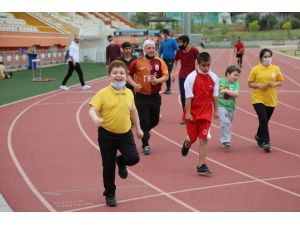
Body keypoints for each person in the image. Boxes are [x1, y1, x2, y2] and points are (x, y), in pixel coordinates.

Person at [88, 60, 143, 207]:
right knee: (108, 166)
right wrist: (95, 119)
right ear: (109, 76)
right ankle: (110, 193)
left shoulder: (129, 92)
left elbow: (133, 111)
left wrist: (138, 128)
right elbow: (92, 109)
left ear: (126, 75)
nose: (118, 75)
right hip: (107, 135)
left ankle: (122, 161)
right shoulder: (103, 93)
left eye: (121, 73)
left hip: (125, 134)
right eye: (115, 73)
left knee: (133, 158)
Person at [127, 39, 169, 155]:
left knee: (154, 120)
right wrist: (134, 84)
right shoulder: (136, 62)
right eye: (149, 48)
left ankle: (144, 131)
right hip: (141, 97)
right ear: (144, 49)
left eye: (153, 48)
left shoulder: (160, 62)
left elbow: (166, 76)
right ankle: (145, 144)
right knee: (144, 121)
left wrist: (158, 80)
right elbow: (128, 76)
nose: (151, 50)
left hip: (155, 96)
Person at [181, 52, 219, 175]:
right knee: (192, 138)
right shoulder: (191, 78)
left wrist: (216, 110)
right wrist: (187, 113)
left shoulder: (214, 77)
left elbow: (215, 96)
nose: (206, 68)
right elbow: (188, 98)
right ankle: (187, 144)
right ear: (197, 64)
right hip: (192, 113)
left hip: (206, 114)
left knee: (204, 139)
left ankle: (201, 165)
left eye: (208, 65)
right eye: (203, 65)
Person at [248, 48, 284, 152]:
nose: (267, 58)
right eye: (265, 57)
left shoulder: (275, 69)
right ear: (261, 58)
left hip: (271, 98)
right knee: (263, 119)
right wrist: (259, 85)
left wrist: (274, 84)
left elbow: (280, 81)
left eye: (269, 56)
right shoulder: (255, 69)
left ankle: (258, 135)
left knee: (265, 121)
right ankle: (266, 142)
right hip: (258, 98)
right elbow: (250, 84)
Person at [171, 35, 200, 124]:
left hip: (193, 76)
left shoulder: (194, 50)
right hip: (182, 76)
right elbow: (175, 62)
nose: (178, 44)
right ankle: (185, 116)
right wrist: (173, 73)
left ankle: (195, 114)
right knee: (184, 97)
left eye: (180, 42)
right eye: (178, 42)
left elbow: (200, 60)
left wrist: (199, 69)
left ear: (186, 43)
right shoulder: (179, 51)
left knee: (193, 96)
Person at [218, 65, 240, 148]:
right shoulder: (220, 81)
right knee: (225, 122)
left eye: (238, 76)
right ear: (228, 73)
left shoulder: (236, 84)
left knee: (228, 124)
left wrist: (225, 90)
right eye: (235, 75)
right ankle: (226, 140)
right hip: (221, 106)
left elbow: (236, 94)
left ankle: (224, 139)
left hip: (231, 107)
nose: (236, 77)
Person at [159, 29, 178, 94]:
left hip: (171, 59)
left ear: (166, 34)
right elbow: (160, 51)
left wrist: (178, 58)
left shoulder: (172, 41)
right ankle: (167, 88)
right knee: (165, 73)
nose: (162, 35)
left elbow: (177, 48)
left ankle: (169, 88)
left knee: (168, 73)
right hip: (164, 59)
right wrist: (157, 57)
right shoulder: (163, 42)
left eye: (162, 34)